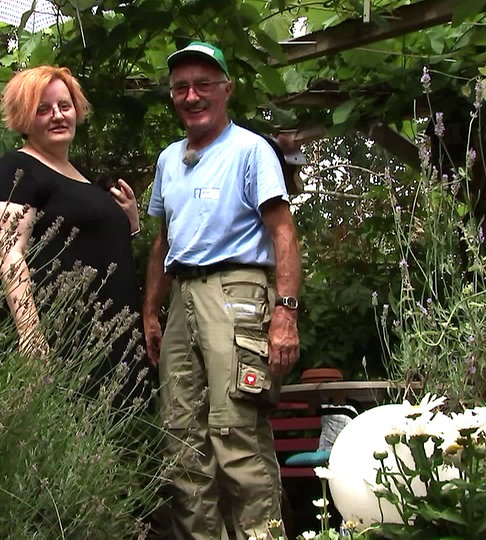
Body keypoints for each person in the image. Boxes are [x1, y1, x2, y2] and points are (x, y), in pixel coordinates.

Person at [143, 41, 302, 540]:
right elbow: (162, 241)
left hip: (237, 291)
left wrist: (285, 313)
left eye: (203, 85)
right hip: (181, 296)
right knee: (181, 441)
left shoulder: (251, 150)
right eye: (181, 88)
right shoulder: (169, 159)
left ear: (226, 89)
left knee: (235, 434)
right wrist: (151, 310)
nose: (192, 96)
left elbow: (283, 233)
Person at [0, 65, 148, 405]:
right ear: (23, 118)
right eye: (42, 109)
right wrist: (31, 337)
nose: (57, 115)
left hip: (110, 343)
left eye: (64, 106)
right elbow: (9, 256)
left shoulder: (79, 176)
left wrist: (130, 222)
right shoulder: (16, 170)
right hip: (63, 341)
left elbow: (95, 249)